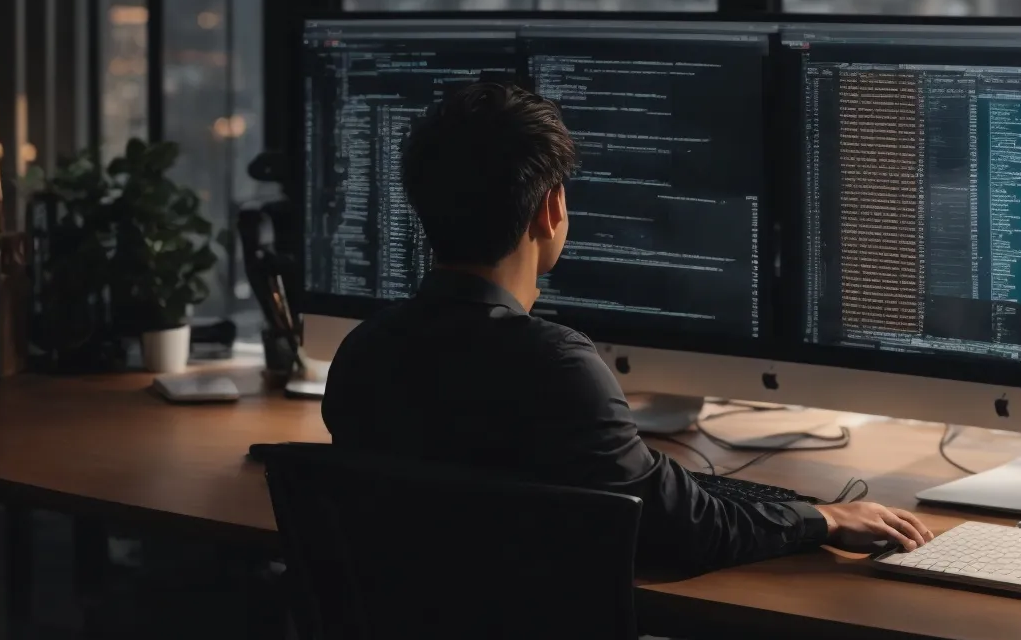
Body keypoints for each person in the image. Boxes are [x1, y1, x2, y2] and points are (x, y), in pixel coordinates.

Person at [323, 80, 933, 576]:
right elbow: (677, 532)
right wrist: (820, 519)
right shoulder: (554, 367)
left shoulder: (362, 354)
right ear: (552, 208)